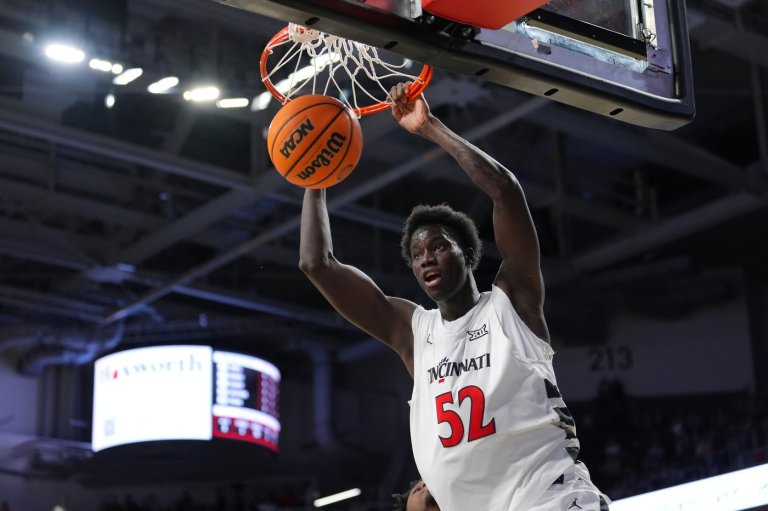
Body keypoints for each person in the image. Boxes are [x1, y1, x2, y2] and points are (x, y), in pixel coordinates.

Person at [299, 82, 610, 511]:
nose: (426, 258)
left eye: (439, 246)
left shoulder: (512, 301)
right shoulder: (412, 332)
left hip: (547, 497)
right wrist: (314, 177)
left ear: (466, 252)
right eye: (417, 254)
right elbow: (317, 264)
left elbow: (505, 190)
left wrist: (429, 127)